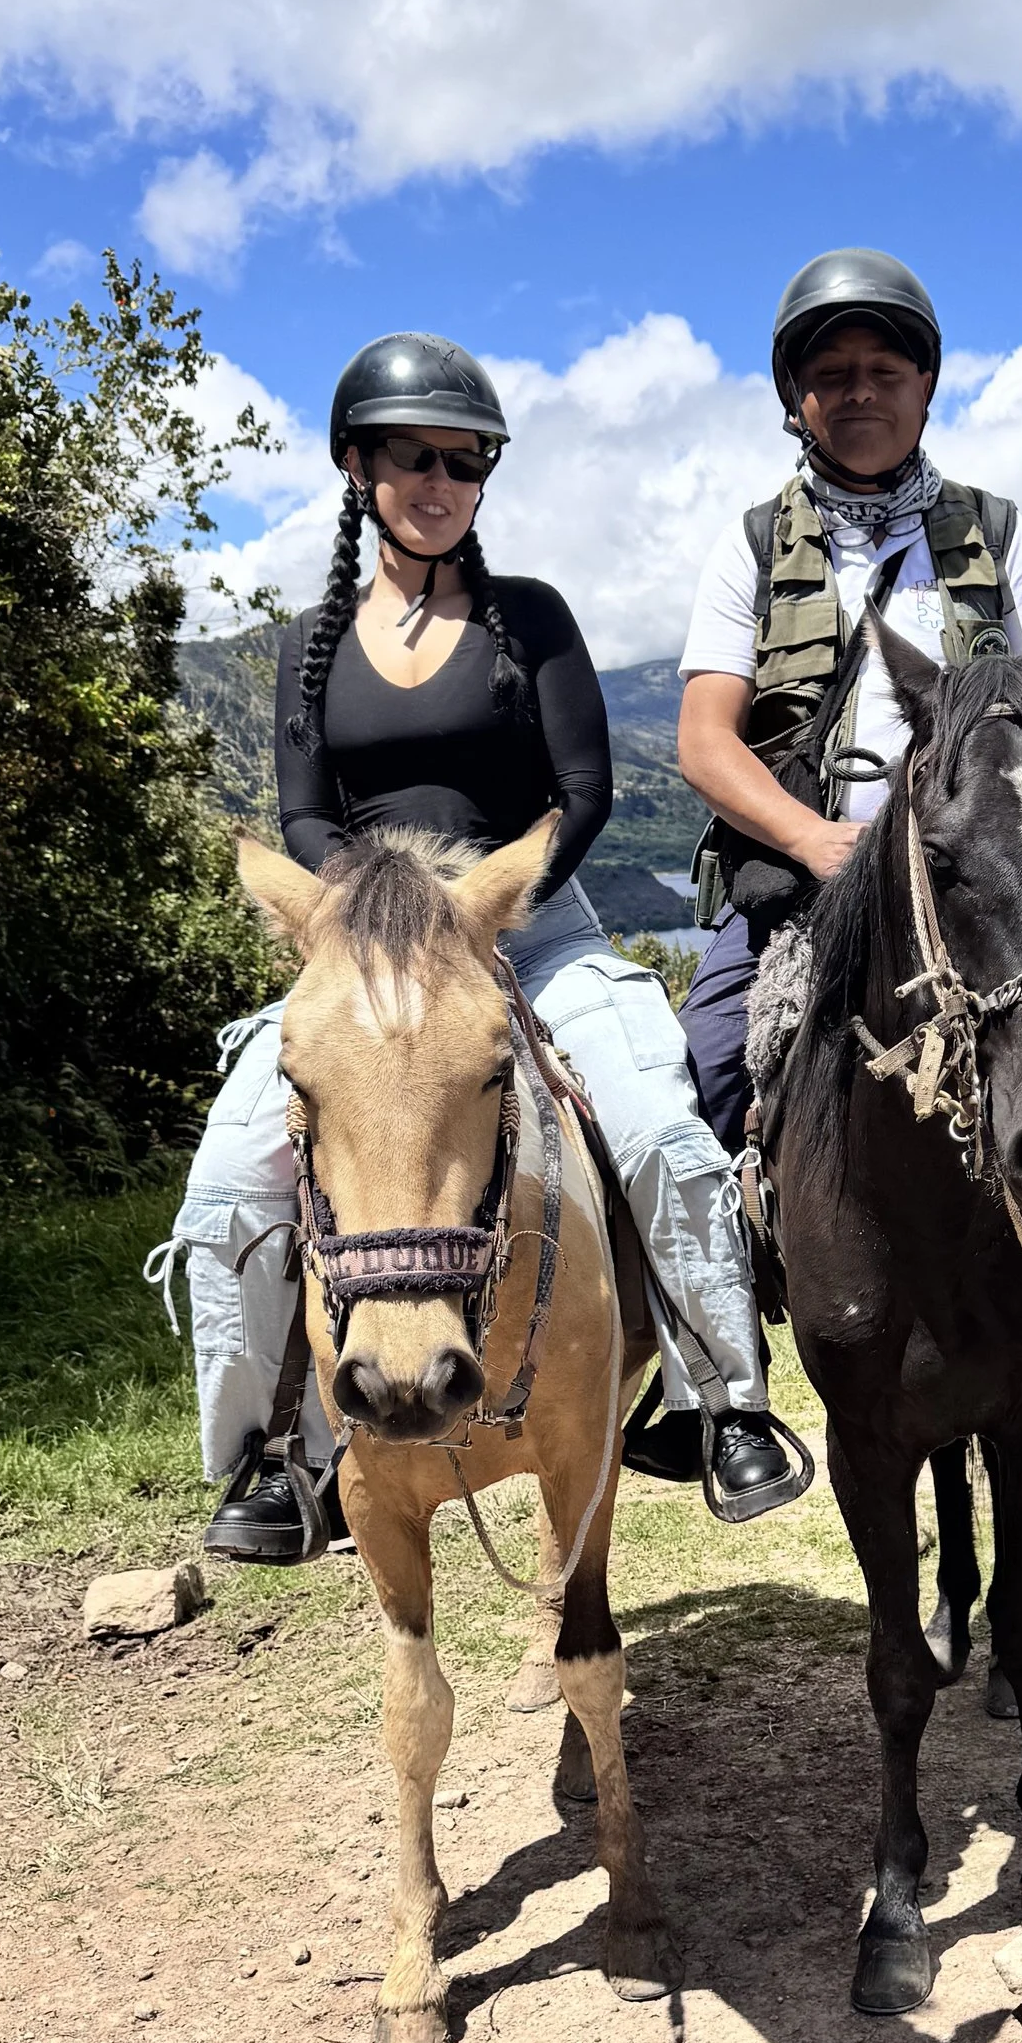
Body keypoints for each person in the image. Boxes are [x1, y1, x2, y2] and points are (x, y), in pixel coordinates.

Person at [152, 330, 805, 1556]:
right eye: (414, 458)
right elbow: (301, 812)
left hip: (533, 924)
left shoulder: (533, 619)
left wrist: (483, 912)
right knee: (231, 1175)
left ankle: (725, 1403)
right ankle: (264, 1458)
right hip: (363, 948)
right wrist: (380, 930)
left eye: (466, 462)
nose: (441, 482)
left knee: (660, 1126)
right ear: (359, 467)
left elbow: (586, 788)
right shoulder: (311, 641)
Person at [673, 248, 1022, 1449]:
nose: (858, 390)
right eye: (830, 372)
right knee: (704, 1073)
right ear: (796, 396)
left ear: (926, 384)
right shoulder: (751, 545)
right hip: (810, 882)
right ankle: (721, 1376)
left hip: (977, 886)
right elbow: (704, 738)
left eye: (882, 368)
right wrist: (817, 841)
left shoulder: (997, 535)